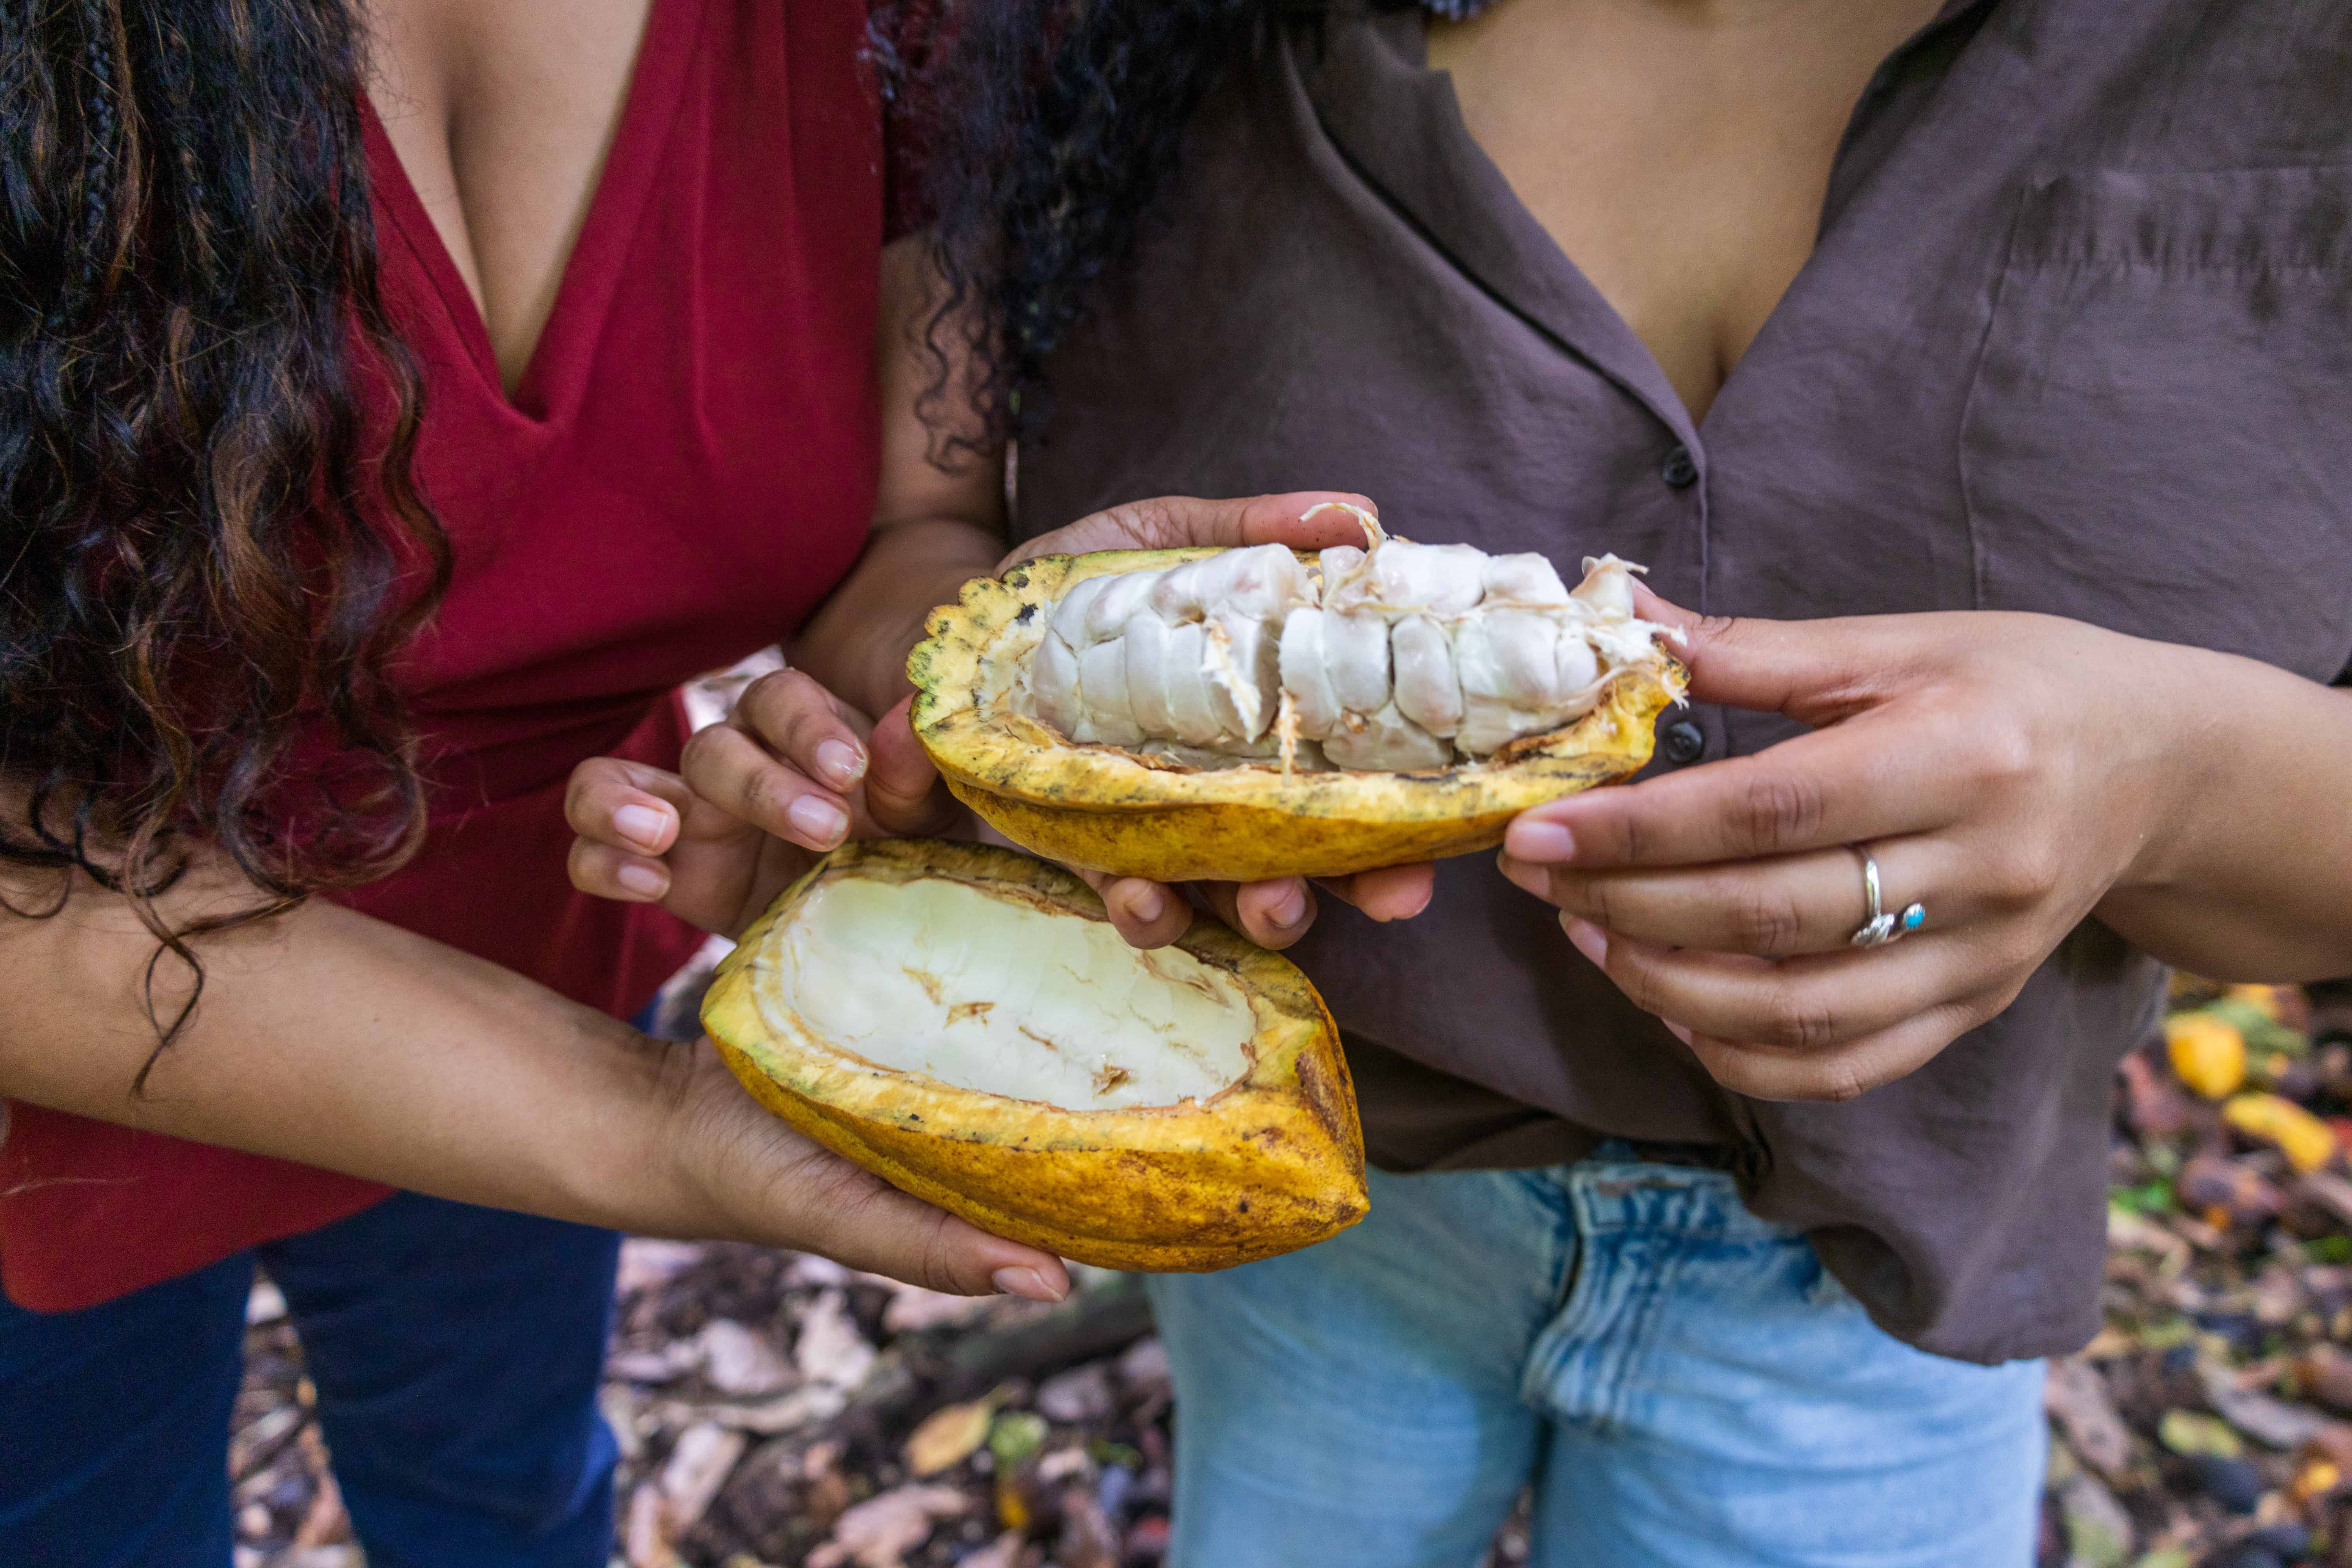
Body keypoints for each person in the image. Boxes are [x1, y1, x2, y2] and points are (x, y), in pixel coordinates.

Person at [568, 0, 2352, 1563]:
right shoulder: (1087, 35)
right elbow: (930, 536)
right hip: (1306, 1202)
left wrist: (2171, 774)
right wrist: (906, 747)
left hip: (1881, 1286)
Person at [0, 3, 1397, 1562]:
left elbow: (899, 531)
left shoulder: (886, 29)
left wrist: (1007, 687)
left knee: (504, 1492)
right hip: (51, 1033)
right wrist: (643, 1122)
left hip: (540, 963)